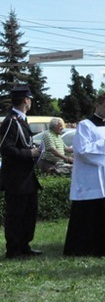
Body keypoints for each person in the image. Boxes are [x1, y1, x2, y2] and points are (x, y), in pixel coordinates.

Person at [64, 91, 105, 256]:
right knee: (91, 213)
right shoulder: (85, 125)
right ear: (97, 106)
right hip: (90, 176)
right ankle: (87, 248)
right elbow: (81, 150)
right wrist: (103, 144)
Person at [0, 85, 42, 259]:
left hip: (26, 176)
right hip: (16, 178)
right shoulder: (11, 120)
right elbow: (5, 147)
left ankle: (24, 244)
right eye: (30, 99)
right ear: (26, 100)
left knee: (28, 212)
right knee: (16, 214)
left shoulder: (20, 119)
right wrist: (29, 153)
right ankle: (14, 249)